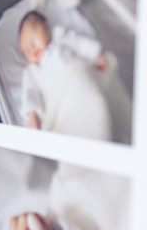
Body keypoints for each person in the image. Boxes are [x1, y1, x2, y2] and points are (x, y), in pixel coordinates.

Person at [18, 10, 117, 140]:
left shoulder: (60, 38)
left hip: (79, 81)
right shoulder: (31, 71)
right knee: (70, 133)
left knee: (95, 101)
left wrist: (96, 55)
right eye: (26, 49)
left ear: (45, 28)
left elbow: (80, 44)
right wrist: (33, 116)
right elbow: (29, 93)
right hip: (61, 104)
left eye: (33, 38)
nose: (31, 48)